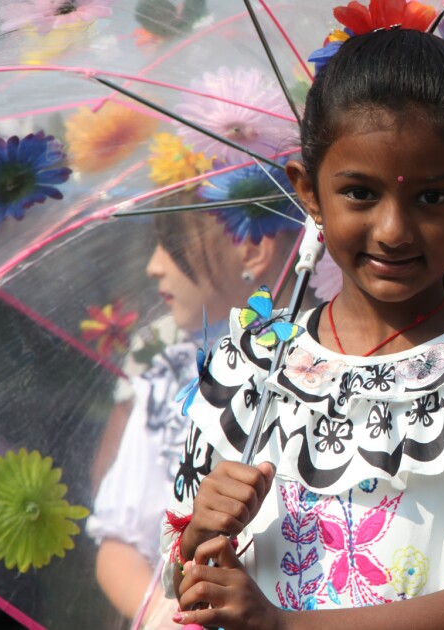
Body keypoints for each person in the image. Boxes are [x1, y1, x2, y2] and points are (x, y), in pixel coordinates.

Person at [160, 26, 444, 630]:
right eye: (359, 193)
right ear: (308, 191)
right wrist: (201, 535)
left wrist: (284, 625)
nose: (393, 229)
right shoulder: (248, 367)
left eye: (432, 198)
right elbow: (188, 587)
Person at [87, 209, 296, 623]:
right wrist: (167, 617)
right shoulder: (170, 367)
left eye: (175, 245)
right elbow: (117, 543)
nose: (154, 266)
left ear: (253, 250)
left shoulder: (317, 370)